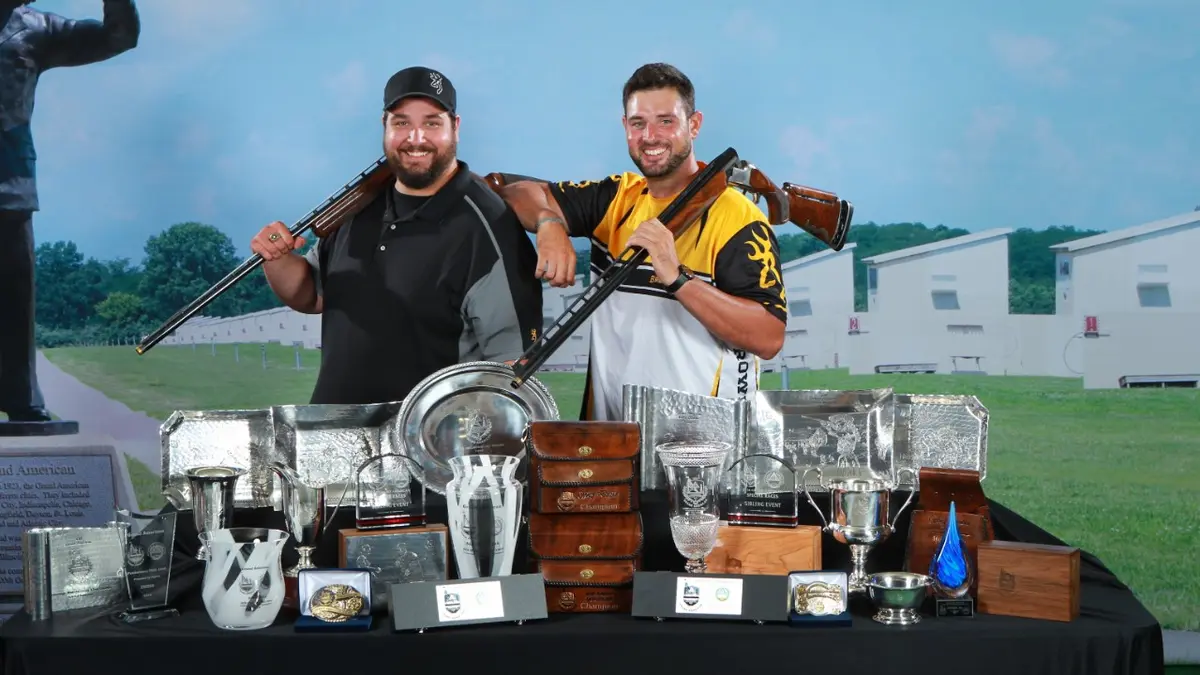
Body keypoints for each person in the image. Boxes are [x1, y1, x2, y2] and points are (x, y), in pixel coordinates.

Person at [499, 63, 787, 421]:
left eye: (666, 121)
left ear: (693, 125)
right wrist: (550, 224)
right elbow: (517, 193)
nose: (650, 136)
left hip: (703, 447)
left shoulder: (739, 218)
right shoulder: (617, 197)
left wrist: (678, 277)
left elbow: (768, 336)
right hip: (609, 443)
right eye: (638, 123)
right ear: (625, 128)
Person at [250, 66, 543, 405]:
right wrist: (278, 258)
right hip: (332, 432)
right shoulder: (356, 205)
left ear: (455, 128)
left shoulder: (490, 225)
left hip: (425, 446)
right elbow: (311, 295)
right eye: (401, 122)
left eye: (432, 123)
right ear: (384, 127)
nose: (415, 138)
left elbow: (510, 368)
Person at [0, 0, 140, 424]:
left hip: (11, 188)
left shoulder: (35, 28)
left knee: (17, 298)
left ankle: (21, 396)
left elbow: (118, 37)